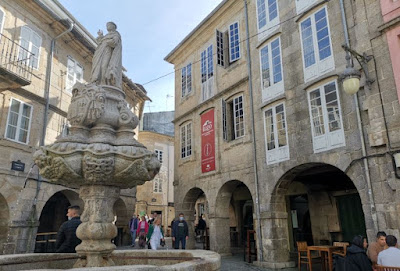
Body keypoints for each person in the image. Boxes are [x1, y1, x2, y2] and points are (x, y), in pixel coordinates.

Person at [90, 21, 122, 88]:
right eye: (107, 25)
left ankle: (104, 82)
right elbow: (100, 42)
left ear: (113, 26)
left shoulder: (116, 34)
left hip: (107, 51)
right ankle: (97, 81)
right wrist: (101, 36)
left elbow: (114, 42)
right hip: (100, 51)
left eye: (109, 25)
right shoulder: (106, 36)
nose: (107, 26)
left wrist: (107, 42)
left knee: (104, 66)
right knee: (98, 66)